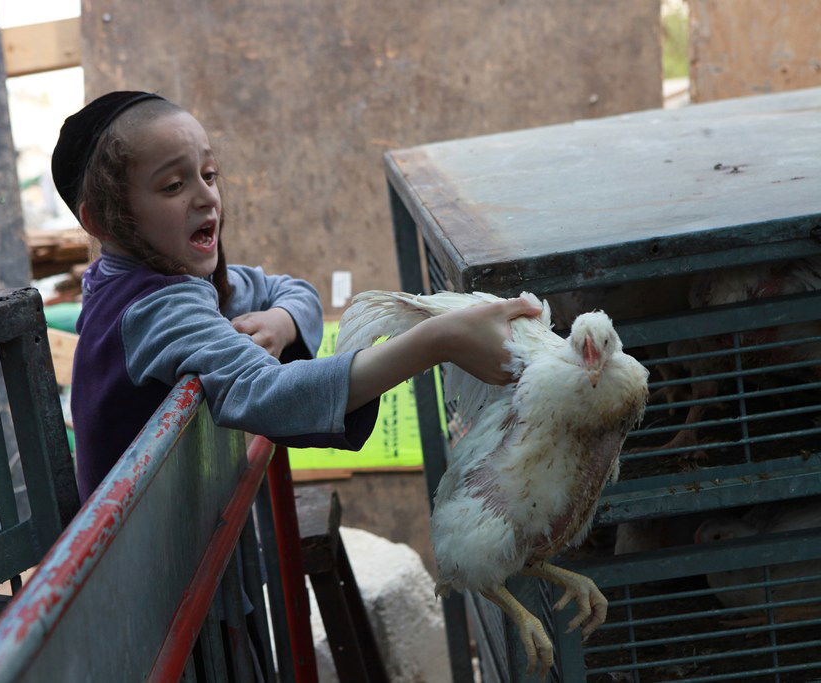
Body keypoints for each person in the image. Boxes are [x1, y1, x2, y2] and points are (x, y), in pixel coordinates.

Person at [51, 90, 540, 501]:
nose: (206, 197)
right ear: (101, 221)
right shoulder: (157, 307)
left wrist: (282, 320)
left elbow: (288, 290)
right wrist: (436, 342)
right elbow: (264, 393)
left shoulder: (143, 283)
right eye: (174, 184)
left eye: (209, 174)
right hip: (147, 584)